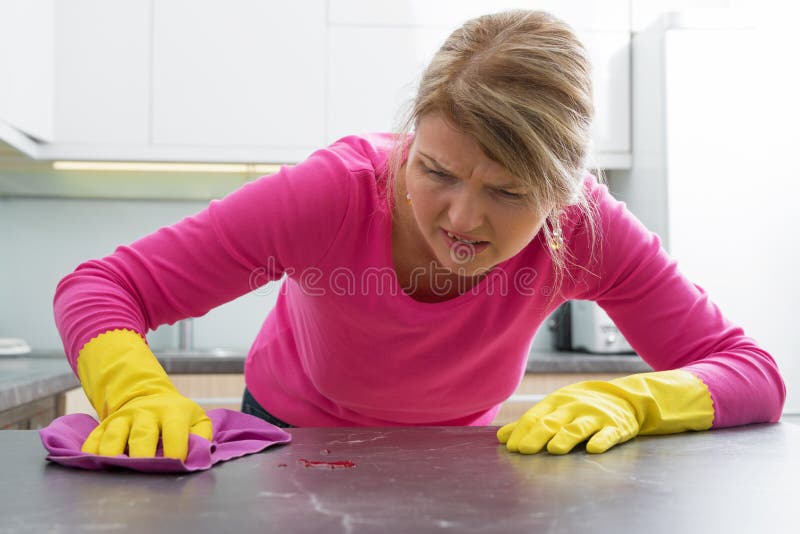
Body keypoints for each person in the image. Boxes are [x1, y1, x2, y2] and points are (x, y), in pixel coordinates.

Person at [53, 10, 785, 461]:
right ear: (411, 140)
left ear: (560, 192)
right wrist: (136, 392)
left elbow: (753, 371)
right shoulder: (332, 194)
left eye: (507, 192)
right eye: (436, 171)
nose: (463, 220)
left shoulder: (583, 227)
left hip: (462, 457)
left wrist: (635, 401)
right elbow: (101, 287)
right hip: (290, 443)